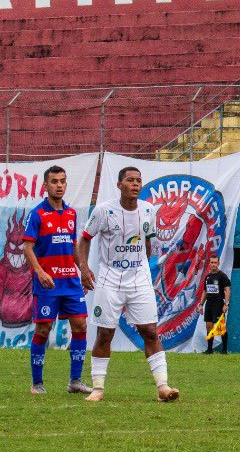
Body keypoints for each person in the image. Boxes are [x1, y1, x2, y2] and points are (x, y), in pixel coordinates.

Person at [76, 166, 179, 403]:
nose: (135, 184)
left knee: (150, 331)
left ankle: (163, 387)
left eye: (138, 181)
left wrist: (144, 265)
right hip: (110, 278)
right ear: (120, 185)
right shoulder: (104, 211)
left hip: (139, 278)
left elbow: (148, 242)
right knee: (104, 333)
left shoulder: (148, 210)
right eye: (130, 180)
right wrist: (84, 268)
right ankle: (98, 388)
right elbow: (84, 239)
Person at [22, 165, 89, 395]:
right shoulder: (37, 213)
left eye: (62, 181)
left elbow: (73, 246)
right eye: (54, 181)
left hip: (70, 281)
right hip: (47, 283)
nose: (59, 185)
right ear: (46, 185)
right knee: (43, 329)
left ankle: (75, 381)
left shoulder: (71, 213)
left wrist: (83, 271)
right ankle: (37, 383)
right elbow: (27, 248)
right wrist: (40, 272)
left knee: (80, 325)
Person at [203, 255, 231, 354]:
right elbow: (205, 291)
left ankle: (224, 350)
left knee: (221, 327)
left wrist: (226, 304)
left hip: (219, 304)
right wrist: (201, 304)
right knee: (209, 326)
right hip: (209, 304)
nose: (213, 264)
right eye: (212, 262)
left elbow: (227, 290)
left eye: (215, 262)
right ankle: (209, 349)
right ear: (209, 263)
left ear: (218, 263)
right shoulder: (207, 277)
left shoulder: (222, 276)